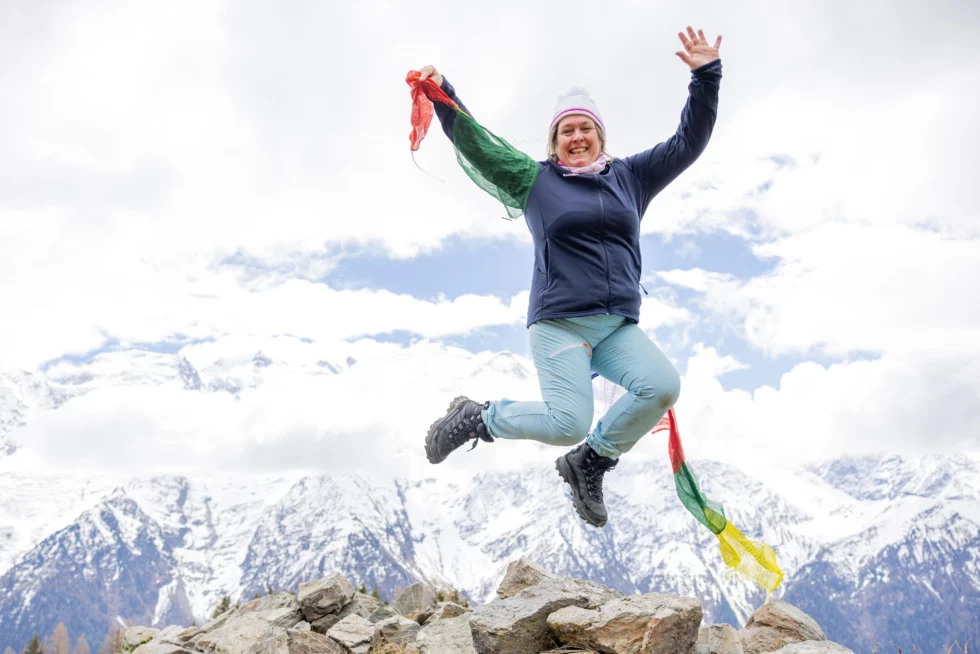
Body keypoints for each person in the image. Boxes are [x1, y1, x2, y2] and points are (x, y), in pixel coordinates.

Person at [420, 27, 723, 528]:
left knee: (662, 385)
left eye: (586, 128)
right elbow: (480, 146)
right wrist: (443, 96)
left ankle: (591, 461)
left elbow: (688, 142)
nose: (577, 137)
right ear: (555, 143)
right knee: (567, 423)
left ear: (600, 136)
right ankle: (478, 417)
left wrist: (706, 77)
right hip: (560, 323)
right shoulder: (535, 179)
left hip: (616, 326)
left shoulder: (631, 177)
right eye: (567, 131)